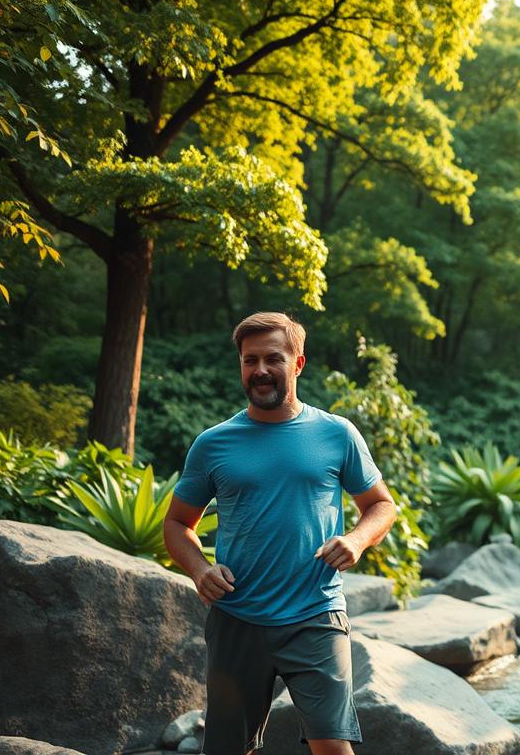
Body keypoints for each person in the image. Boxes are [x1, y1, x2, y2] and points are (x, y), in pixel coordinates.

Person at [163, 312, 397, 755]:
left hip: (315, 614)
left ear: (298, 364)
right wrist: (198, 569)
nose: (261, 370)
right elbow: (177, 524)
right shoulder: (213, 443)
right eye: (250, 361)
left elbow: (382, 505)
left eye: (273, 358)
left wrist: (356, 540)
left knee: (333, 746)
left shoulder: (336, 433)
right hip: (237, 617)